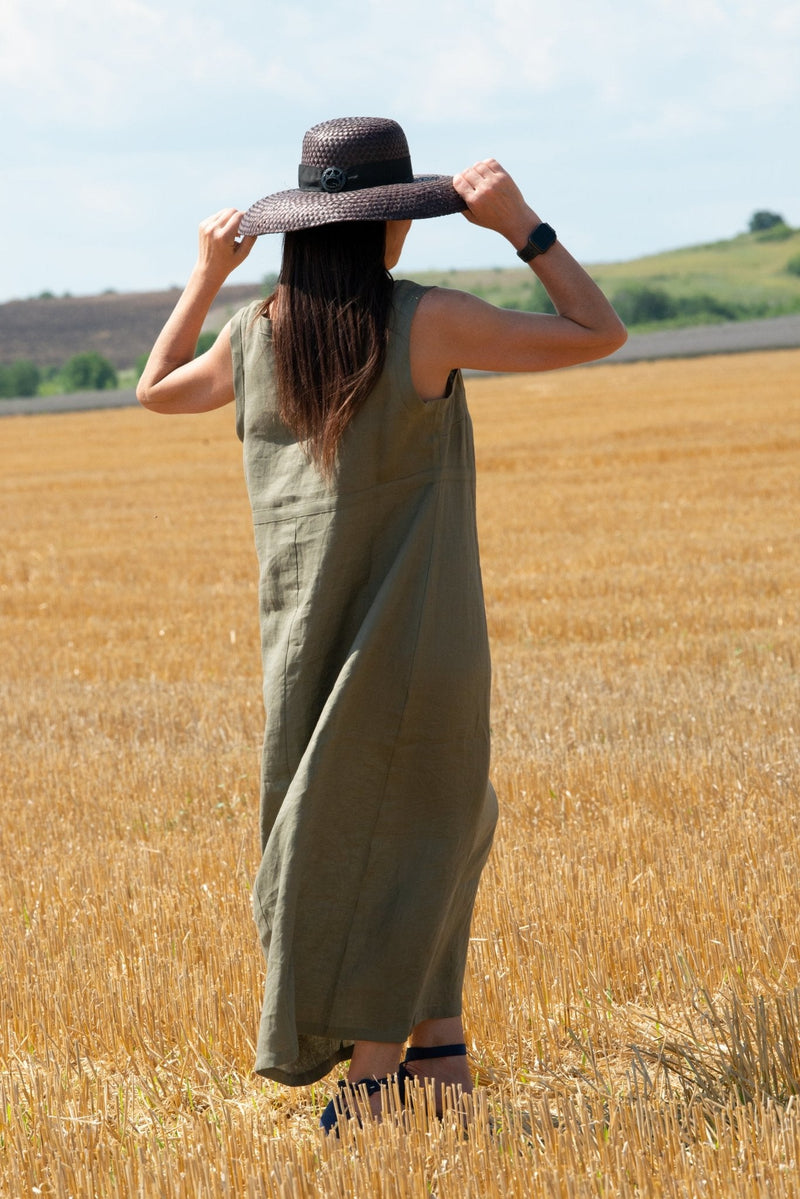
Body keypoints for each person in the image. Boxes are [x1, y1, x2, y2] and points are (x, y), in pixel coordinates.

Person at [137, 116, 626, 1133]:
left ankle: (421, 1064)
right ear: (389, 227)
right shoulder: (427, 322)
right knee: (420, 835)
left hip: (300, 647)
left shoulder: (256, 334)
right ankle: (386, 1077)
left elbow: (153, 390)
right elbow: (597, 330)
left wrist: (201, 275)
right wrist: (520, 227)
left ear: (303, 231)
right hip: (423, 643)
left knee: (380, 834)